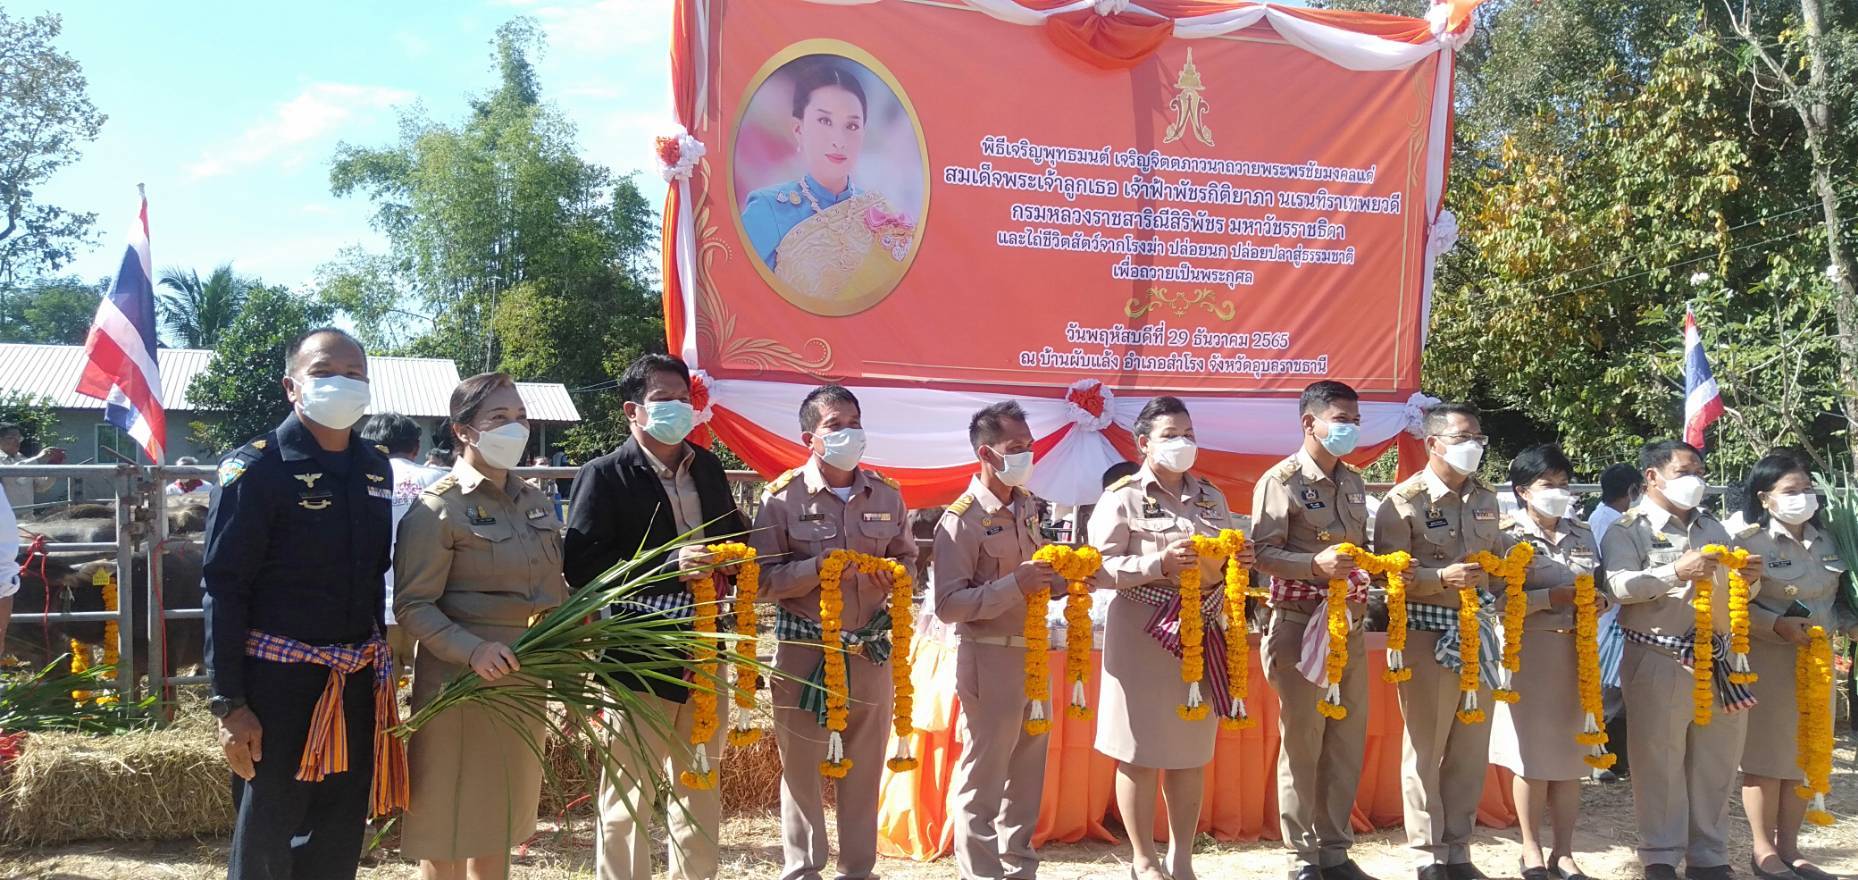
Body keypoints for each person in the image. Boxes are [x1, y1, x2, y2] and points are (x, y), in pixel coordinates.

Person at [201, 327, 397, 880]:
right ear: (292, 387)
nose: (342, 383)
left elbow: (373, 577)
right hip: (276, 687)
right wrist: (229, 704)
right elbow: (223, 586)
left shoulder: (374, 466)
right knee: (267, 838)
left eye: (355, 374)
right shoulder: (256, 468)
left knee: (338, 834)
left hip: (353, 680)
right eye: (324, 372)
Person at [563, 353, 748, 880]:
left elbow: (731, 533)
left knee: (701, 783)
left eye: (684, 399)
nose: (677, 408)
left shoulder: (706, 466)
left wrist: (734, 559)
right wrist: (668, 567)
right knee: (628, 793)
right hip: (638, 653)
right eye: (663, 399)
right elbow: (582, 566)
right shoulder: (604, 475)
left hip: (706, 647)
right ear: (633, 410)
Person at [1373, 403, 1566, 880]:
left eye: (1478, 438)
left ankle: (1458, 850)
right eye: (1463, 438)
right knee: (1426, 748)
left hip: (1478, 633)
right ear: (1433, 443)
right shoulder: (1403, 501)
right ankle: (1427, 854)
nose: (1474, 446)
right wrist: (1440, 577)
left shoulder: (1486, 498)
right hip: (1426, 631)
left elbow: (1497, 569)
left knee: (1469, 747)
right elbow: (1386, 576)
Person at [392, 372, 567, 879]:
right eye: (499, 418)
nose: (515, 428)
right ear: (463, 430)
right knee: (446, 823)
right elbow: (413, 605)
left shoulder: (535, 501)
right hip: (460, 684)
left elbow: (552, 592)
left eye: (520, 417)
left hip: (525, 678)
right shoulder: (437, 508)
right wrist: (472, 650)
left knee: (501, 818)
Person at [750, 384, 916, 880]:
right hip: (805, 651)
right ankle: (803, 870)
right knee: (801, 769)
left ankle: (858, 870)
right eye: (835, 425)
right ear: (810, 438)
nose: (849, 433)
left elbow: (908, 559)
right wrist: (814, 570)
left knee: (864, 770)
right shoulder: (781, 499)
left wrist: (896, 576)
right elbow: (759, 581)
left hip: (869, 649)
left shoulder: (886, 493)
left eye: (854, 423)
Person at [1088, 396, 1255, 880]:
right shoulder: (1121, 496)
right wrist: (1156, 563)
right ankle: (1143, 859)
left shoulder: (1211, 497)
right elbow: (1096, 567)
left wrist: (1238, 559)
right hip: (1142, 631)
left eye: (1188, 434)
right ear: (1144, 443)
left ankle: (1182, 858)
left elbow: (1222, 554)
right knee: (1138, 751)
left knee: (1189, 753)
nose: (1183, 443)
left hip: (1200, 629)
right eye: (1170, 435)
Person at [1602, 439, 1764, 880]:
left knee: (1716, 760)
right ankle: (1660, 855)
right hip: (1659, 656)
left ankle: (1708, 856)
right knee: (1658, 760)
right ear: (1652, 476)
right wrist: (1674, 572)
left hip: (1719, 660)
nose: (1695, 481)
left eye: (1699, 473)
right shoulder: (1628, 529)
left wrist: (1750, 580)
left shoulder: (1713, 526)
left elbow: (1736, 592)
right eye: (1684, 472)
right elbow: (1617, 587)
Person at [1251, 380, 1382, 880]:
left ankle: (1335, 851)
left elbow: (1361, 548)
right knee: (1303, 743)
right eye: (1341, 420)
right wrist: (1313, 565)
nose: (1351, 429)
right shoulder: (1279, 480)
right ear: (1310, 422)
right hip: (1298, 622)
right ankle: (1301, 857)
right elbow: (1262, 553)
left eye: (1355, 421)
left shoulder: (1354, 482)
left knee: (1345, 740)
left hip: (1347, 623)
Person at [934, 401, 1059, 880]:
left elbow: (1036, 573)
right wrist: (1015, 586)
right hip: (989, 658)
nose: (1027, 454)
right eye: (1016, 447)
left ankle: (1020, 867)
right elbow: (949, 605)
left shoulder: (1027, 505)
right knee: (983, 777)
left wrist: (1065, 578)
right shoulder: (961, 520)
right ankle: (981, 873)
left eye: (1029, 445)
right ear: (986, 453)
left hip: (1033, 654)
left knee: (1027, 776)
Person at [1732, 452, 1855, 880]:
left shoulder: (1831, 539)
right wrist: (1776, 625)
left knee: (1804, 754)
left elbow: (1837, 600)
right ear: (1764, 498)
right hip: (1770, 660)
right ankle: (1763, 850)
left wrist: (1851, 624)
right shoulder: (1748, 543)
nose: (1802, 497)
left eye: (1806, 489)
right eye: (1790, 491)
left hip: (1819, 662)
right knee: (1767, 758)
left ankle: (1791, 849)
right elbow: (1733, 605)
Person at [1488, 445, 1605, 880]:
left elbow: (1600, 585)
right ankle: (1530, 847)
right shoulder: (1506, 537)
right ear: (1522, 491)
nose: (1558, 492)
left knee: (1572, 759)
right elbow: (1494, 601)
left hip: (1578, 653)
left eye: (1563, 484)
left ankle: (1565, 851)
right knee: (1533, 759)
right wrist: (1548, 598)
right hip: (1529, 652)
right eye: (1547, 484)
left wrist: (1601, 600)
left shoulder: (1582, 534)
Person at [740, 59, 916, 306]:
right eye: (824, 121)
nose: (838, 139)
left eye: (851, 125)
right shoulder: (767, 208)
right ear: (799, 129)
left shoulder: (886, 215)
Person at [361, 412, 448, 685]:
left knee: (380, 690)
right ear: (416, 447)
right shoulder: (442, 480)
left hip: (375, 606)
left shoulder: (356, 480)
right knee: (433, 686)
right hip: (433, 606)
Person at [1590, 462, 1643, 781]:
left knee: (1618, 692)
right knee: (1608, 692)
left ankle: (1616, 758)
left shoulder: (1604, 517)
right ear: (1633, 491)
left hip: (1615, 615)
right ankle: (1600, 759)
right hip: (1610, 616)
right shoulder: (1612, 523)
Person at [0, 422, 58, 510]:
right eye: (11, 438)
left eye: (19, 438)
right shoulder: (29, 462)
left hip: (27, 515)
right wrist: (38, 458)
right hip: (5, 516)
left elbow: (41, 486)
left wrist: (53, 464)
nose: (17, 441)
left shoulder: (24, 459)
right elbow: (10, 472)